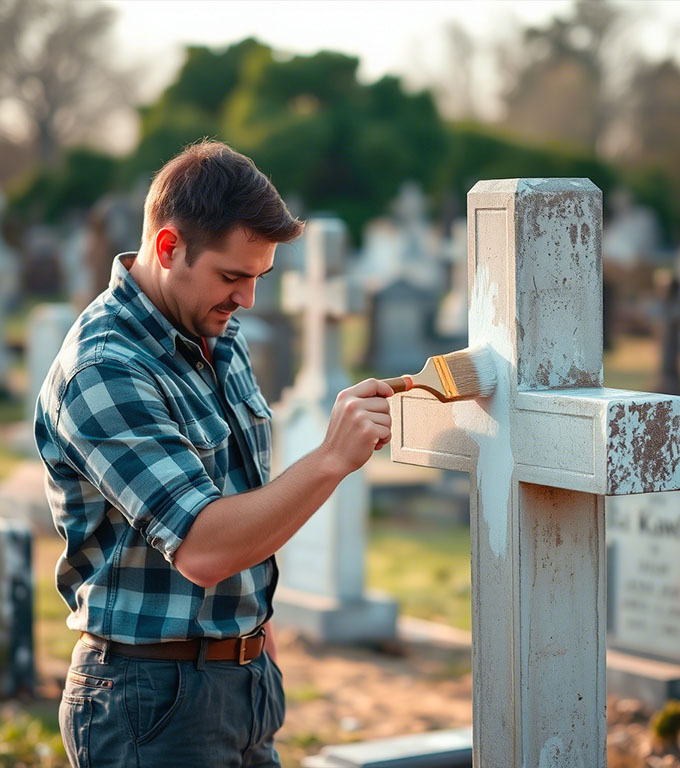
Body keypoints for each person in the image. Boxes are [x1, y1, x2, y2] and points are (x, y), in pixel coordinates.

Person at [33, 140, 394, 768]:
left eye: (258, 277)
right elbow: (203, 548)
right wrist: (330, 458)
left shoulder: (216, 336)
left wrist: (258, 647)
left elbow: (240, 508)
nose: (248, 299)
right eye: (233, 276)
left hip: (244, 681)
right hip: (151, 702)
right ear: (169, 248)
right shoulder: (104, 367)